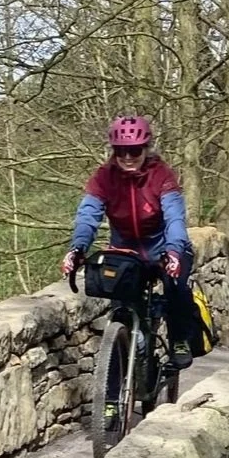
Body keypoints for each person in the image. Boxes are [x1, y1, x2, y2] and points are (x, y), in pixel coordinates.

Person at [61, 115, 198, 369]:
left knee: (176, 288)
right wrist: (77, 248)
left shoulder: (161, 175)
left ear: (146, 149)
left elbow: (175, 218)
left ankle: (179, 339)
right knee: (120, 304)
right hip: (126, 251)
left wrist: (175, 251)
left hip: (163, 247)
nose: (127, 157)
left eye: (134, 150)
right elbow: (88, 214)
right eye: (120, 151)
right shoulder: (104, 177)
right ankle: (122, 372)